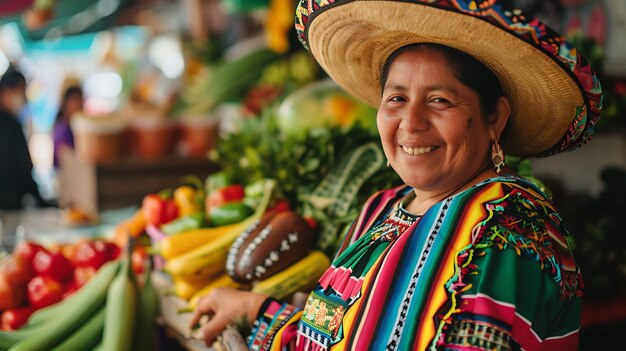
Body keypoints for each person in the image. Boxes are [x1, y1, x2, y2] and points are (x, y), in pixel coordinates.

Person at [191, 0, 603, 350]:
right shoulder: (383, 208)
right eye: (397, 99)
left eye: (439, 100)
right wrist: (255, 311)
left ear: (494, 118)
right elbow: (341, 335)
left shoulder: (502, 230)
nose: (411, 122)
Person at [0, 69, 47, 210]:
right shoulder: (7, 124)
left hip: (13, 201)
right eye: (18, 90)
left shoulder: (12, 122)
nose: (21, 96)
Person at [52, 85, 83, 168]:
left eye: (81, 100)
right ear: (67, 102)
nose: (79, 105)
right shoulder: (62, 129)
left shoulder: (75, 127)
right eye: (76, 100)